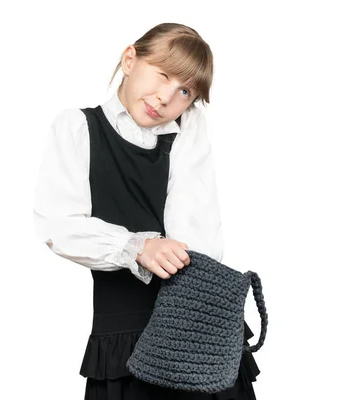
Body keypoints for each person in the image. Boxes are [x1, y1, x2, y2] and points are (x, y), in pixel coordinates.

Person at [33, 22, 260, 400]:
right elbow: (59, 225)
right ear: (129, 59)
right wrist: (137, 246)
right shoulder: (78, 128)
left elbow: (199, 240)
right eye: (163, 75)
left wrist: (190, 127)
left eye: (184, 91)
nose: (166, 97)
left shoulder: (187, 132)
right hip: (124, 334)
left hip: (198, 327)